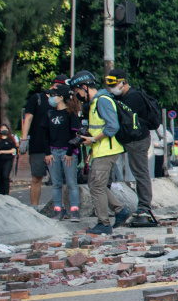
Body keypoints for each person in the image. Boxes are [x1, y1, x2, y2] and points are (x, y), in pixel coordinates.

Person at [71, 71, 131, 234]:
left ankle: (104, 224)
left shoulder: (102, 101)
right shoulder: (95, 103)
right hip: (101, 150)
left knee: (96, 186)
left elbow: (112, 126)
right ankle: (120, 210)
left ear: (84, 87)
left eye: (77, 91)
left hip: (107, 150)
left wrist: (93, 139)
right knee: (95, 184)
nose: (77, 96)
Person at [105, 70, 158, 225]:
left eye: (115, 85)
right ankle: (108, 204)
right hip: (122, 139)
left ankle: (144, 207)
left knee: (140, 172)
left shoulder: (134, 98)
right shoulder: (119, 97)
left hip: (137, 140)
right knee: (107, 169)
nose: (113, 89)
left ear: (124, 82)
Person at [20, 76, 66, 209]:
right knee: (36, 178)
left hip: (56, 145)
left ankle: (61, 207)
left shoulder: (61, 101)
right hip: (38, 144)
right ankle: (34, 208)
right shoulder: (37, 98)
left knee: (58, 180)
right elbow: (28, 118)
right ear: (55, 86)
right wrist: (24, 139)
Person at [45, 86, 82, 219]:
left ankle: (75, 211)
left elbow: (75, 135)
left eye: (53, 95)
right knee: (56, 183)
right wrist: (47, 153)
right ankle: (58, 210)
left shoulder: (70, 114)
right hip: (53, 152)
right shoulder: (49, 114)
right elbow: (45, 134)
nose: (50, 98)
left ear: (60, 97)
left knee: (71, 183)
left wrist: (70, 152)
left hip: (68, 152)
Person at [0, 125, 18, 195]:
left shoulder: (11, 140)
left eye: (5, 128)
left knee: (5, 175)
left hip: (7, 160)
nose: (4, 130)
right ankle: (1, 193)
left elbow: (13, 150)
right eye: (2, 129)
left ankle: (6, 193)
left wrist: (2, 152)